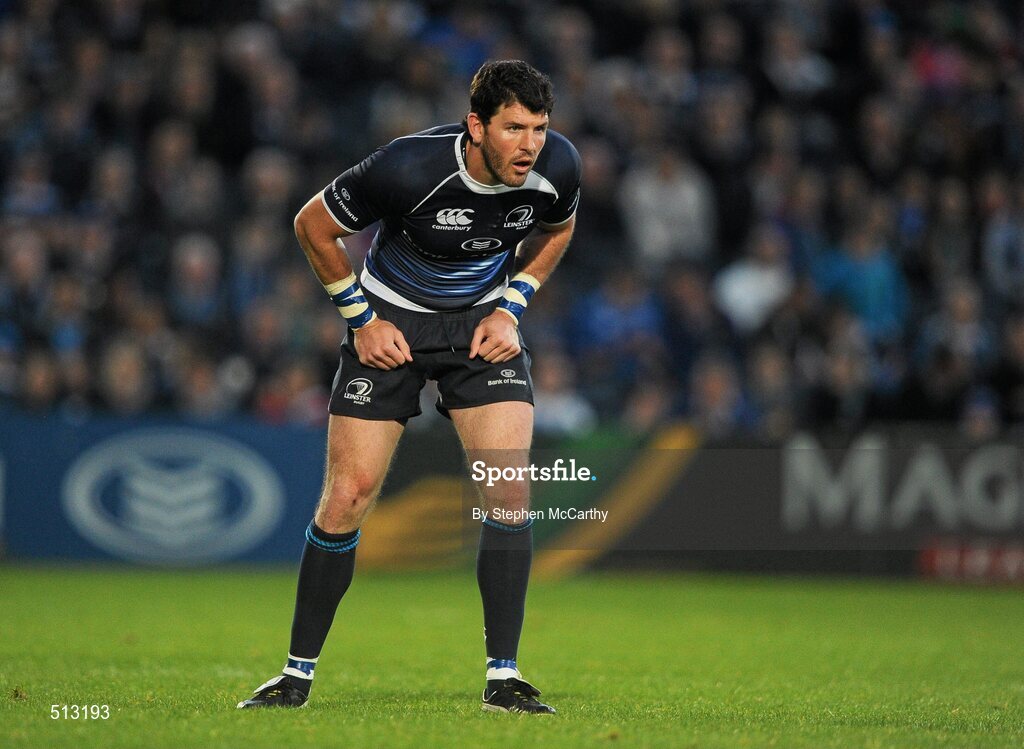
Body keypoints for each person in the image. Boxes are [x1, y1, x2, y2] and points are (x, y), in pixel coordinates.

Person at [237, 60, 580, 714]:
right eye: (513, 128)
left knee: (508, 487)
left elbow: (558, 229)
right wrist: (361, 321)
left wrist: (515, 302)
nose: (530, 143)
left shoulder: (556, 168)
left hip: (482, 329)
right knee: (348, 495)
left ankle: (503, 678)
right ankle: (295, 675)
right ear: (476, 125)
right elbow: (313, 225)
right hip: (389, 325)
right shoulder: (406, 167)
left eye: (539, 127)